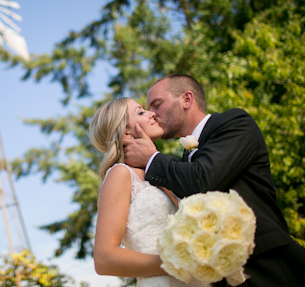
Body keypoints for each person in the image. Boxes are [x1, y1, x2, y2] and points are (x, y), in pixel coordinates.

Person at [123, 74, 305, 287]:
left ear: (187, 100)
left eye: (157, 104)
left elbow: (204, 179)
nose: (152, 114)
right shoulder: (180, 163)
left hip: (269, 266)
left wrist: (151, 158)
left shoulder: (235, 123)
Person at [89, 97, 206, 287]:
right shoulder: (120, 174)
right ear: (125, 132)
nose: (153, 113)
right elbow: (104, 259)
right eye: (141, 112)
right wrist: (175, 263)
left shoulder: (163, 173)